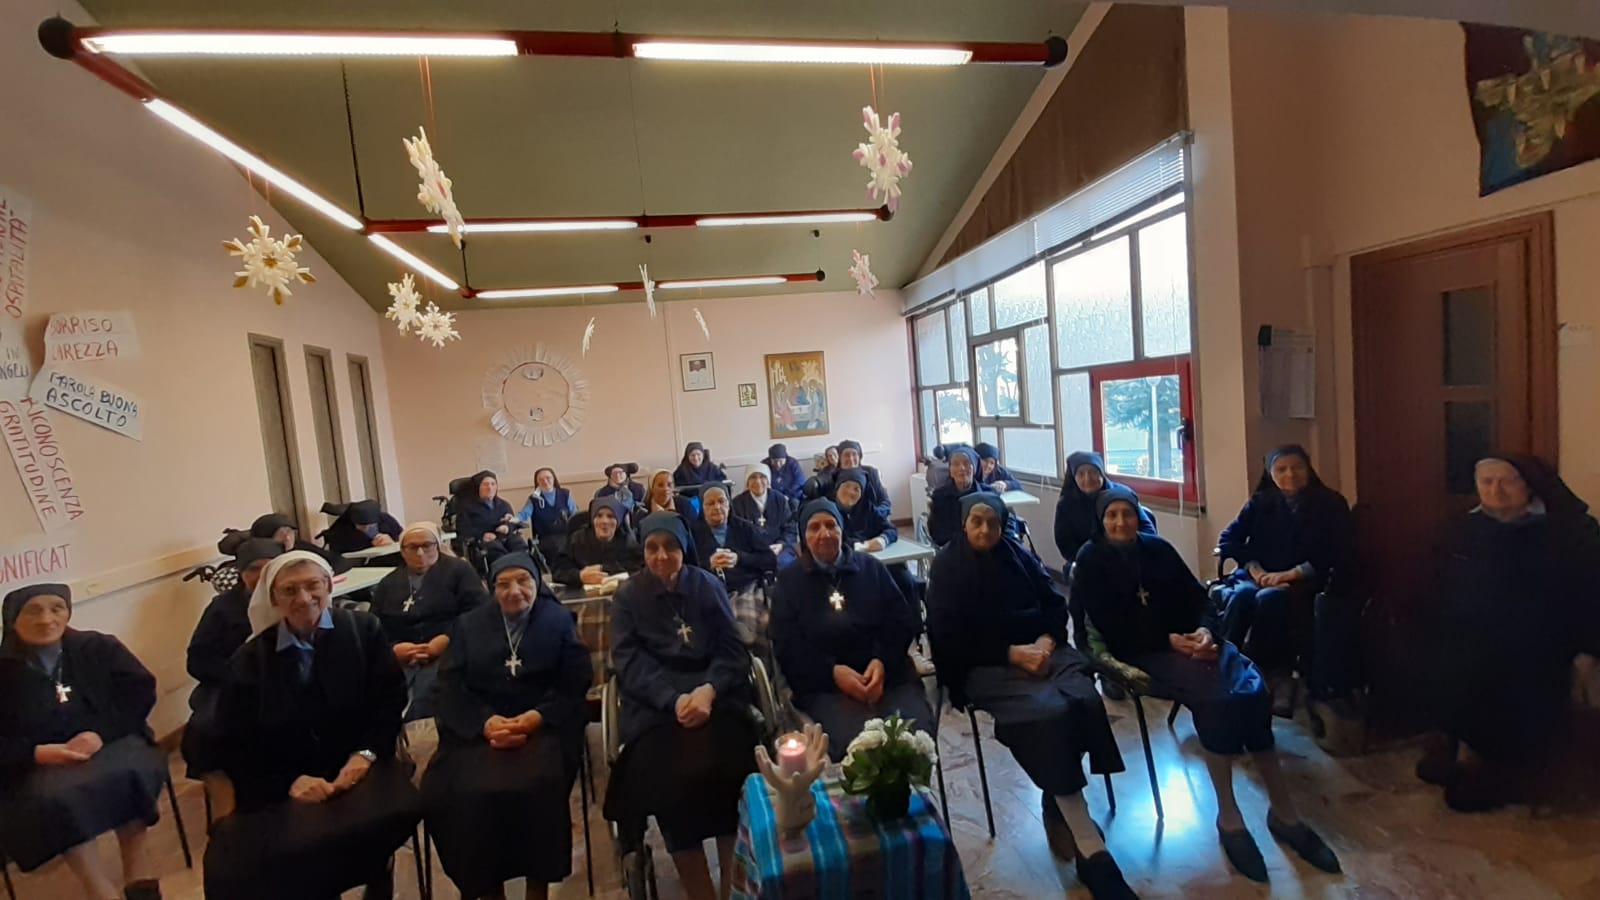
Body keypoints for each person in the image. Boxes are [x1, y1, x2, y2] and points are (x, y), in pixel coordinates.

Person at [1074, 488, 1339, 884]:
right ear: (1100, 520)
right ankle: (1229, 817)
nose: (1120, 522)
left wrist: (1204, 632)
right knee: (1219, 701)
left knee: (1252, 690)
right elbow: (1110, 627)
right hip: (1143, 651)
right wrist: (1169, 641)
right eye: (1111, 515)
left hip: (1195, 644)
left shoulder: (1158, 549)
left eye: (1127, 513)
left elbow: (1200, 599)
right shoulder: (1091, 560)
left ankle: (1285, 813)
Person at [926, 495, 1132, 899]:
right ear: (964, 524)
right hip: (985, 665)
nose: (985, 530)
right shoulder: (948, 567)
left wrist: (1045, 642)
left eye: (993, 523)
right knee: (1049, 715)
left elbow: (1054, 603)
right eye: (976, 522)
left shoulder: (1018, 556)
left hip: (1044, 653)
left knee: (1085, 700)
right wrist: (1012, 654)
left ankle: (1058, 799)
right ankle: (1090, 845)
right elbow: (948, 638)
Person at [204, 551, 424, 900]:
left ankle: (377, 878)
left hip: (360, 762)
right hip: (281, 777)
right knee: (250, 857)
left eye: (313, 586)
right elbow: (235, 739)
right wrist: (290, 781)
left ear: (328, 586)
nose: (304, 598)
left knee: (383, 818)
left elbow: (388, 701)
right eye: (290, 590)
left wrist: (365, 755)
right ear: (273, 598)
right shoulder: (250, 659)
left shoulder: (362, 631)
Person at [1413, 455, 1600, 812]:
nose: (1495, 491)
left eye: (1507, 481)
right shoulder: (1461, 528)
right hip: (1469, 635)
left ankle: (1501, 767)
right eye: (1486, 482)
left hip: (1543, 642)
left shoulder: (1568, 531)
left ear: (1529, 485)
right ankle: (1463, 748)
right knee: (1451, 661)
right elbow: (1437, 586)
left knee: (1506, 668)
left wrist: (1588, 651)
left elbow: (1591, 594)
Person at [603, 513, 757, 900]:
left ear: (684, 548)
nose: (661, 556)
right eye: (652, 548)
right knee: (670, 784)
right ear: (643, 551)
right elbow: (628, 662)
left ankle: (733, 890)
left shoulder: (706, 585)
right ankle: (701, 893)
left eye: (670, 546)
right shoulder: (627, 597)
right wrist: (672, 700)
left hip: (715, 698)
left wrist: (709, 690)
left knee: (733, 771)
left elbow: (732, 649)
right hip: (657, 707)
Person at [423, 553, 591, 900]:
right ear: (491, 588)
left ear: (537, 583)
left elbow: (574, 681)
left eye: (523, 581)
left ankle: (537, 887)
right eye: (503, 584)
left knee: (537, 788)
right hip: (478, 733)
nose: (514, 591)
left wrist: (536, 717)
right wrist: (484, 723)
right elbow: (448, 686)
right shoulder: (468, 625)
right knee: (458, 794)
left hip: (542, 729)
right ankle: (487, 888)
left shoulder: (559, 620)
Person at [0, 584, 167, 900]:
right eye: (33, 611)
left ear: (68, 612)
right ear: (11, 620)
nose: (46, 619)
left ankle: (138, 873)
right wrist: (36, 753)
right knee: (60, 798)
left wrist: (100, 734)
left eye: (56, 608)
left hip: (110, 741)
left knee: (130, 772)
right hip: (40, 763)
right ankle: (97, 887)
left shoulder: (98, 647)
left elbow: (139, 693)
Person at [772, 499, 931, 762]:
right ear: (803, 536)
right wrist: (833, 673)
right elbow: (788, 646)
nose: (824, 534)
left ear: (842, 529)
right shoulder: (789, 582)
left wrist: (881, 662)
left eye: (831, 525)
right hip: (825, 688)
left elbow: (900, 622)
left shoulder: (871, 568)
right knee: (863, 749)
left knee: (912, 737)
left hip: (888, 677)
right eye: (814, 527)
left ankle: (913, 790)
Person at [1216, 446, 1353, 717]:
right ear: (1271, 473)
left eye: (1297, 467)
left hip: (1306, 581)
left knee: (1269, 598)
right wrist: (1255, 569)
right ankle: (1224, 668)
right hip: (1258, 576)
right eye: (1281, 469)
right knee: (1242, 596)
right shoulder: (1260, 502)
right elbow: (1229, 539)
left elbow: (1339, 550)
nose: (1290, 474)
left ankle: (1270, 673)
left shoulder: (1330, 503)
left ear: (1308, 469)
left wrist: (1291, 574)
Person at [369, 522, 491, 721]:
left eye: (427, 545)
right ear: (402, 551)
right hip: (401, 656)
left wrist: (446, 640)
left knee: (432, 690)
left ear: (437, 545)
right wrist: (393, 649)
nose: (420, 553)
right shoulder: (388, 583)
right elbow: (374, 626)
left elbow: (479, 613)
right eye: (412, 547)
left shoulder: (459, 571)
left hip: (452, 647)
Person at [184, 538, 283, 778]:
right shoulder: (222, 608)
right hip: (231, 681)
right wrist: (237, 676)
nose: (261, 576)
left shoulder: (295, 599)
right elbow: (198, 659)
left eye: (269, 568)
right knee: (205, 729)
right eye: (253, 569)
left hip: (285, 678)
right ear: (240, 573)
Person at [693, 485, 779, 647]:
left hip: (745, 588)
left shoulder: (744, 528)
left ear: (729, 504)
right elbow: (686, 569)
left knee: (752, 629)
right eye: (710, 503)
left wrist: (739, 558)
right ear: (702, 507)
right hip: (708, 592)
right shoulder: (693, 533)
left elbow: (769, 560)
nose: (717, 507)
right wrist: (708, 564)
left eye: (721, 501)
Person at [1053, 451, 1157, 563]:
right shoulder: (1066, 504)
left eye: (1093, 472)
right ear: (1074, 477)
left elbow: (1148, 530)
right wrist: (1086, 560)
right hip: (1087, 561)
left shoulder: (1122, 494)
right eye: (1081, 474)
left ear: (1101, 473)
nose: (1087, 478)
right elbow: (1065, 543)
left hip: (1128, 558)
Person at [553, 497, 645, 588]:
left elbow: (639, 571)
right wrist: (579, 576)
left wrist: (606, 569)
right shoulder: (576, 540)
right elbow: (558, 571)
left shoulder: (628, 542)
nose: (604, 521)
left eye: (610, 516)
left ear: (618, 521)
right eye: (599, 516)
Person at [926, 446, 997, 548]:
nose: (961, 468)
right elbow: (937, 533)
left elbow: (997, 526)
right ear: (950, 471)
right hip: (952, 549)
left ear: (974, 468)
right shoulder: (939, 497)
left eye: (966, 463)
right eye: (955, 464)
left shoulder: (989, 494)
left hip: (985, 546)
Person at [455, 470, 530, 565]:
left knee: (520, 545)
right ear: (478, 487)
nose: (489, 487)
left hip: (504, 538)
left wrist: (507, 527)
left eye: (493, 484)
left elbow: (513, 523)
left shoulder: (504, 505)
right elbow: (463, 529)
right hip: (482, 543)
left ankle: (523, 569)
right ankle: (505, 570)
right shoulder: (467, 507)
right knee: (496, 550)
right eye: (485, 484)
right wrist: (482, 535)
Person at [732, 464, 799, 568]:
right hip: (751, 552)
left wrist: (781, 544)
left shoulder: (780, 500)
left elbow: (790, 528)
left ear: (768, 480)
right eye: (753, 477)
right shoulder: (737, 503)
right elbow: (736, 534)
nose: (758, 482)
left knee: (786, 564)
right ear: (747, 482)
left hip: (780, 549)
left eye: (762, 477)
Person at [250, 511, 351, 574]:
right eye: (280, 534)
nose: (287, 538)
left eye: (289, 532)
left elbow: (337, 560)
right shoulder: (261, 560)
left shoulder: (300, 545)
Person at [632, 469, 701, 552]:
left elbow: (695, 533)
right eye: (660, 485)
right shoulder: (642, 512)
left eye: (669, 485)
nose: (665, 489)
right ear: (652, 488)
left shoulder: (685, 505)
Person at [517, 467, 578, 561]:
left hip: (566, 535)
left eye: (548, 478)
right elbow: (524, 514)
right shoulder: (534, 499)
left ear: (554, 479)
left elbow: (575, 514)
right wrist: (513, 519)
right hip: (545, 538)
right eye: (541, 480)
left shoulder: (565, 494)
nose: (545, 482)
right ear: (537, 483)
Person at [320, 500, 402, 557]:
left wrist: (392, 543)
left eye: (371, 526)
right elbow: (340, 554)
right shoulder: (340, 530)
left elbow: (402, 538)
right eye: (362, 526)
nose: (367, 529)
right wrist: (370, 544)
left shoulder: (386, 520)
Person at [832, 440, 891, 517]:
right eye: (846, 455)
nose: (851, 459)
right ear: (840, 458)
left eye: (854, 454)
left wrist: (877, 514)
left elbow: (885, 501)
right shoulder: (832, 476)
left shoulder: (871, 472)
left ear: (859, 457)